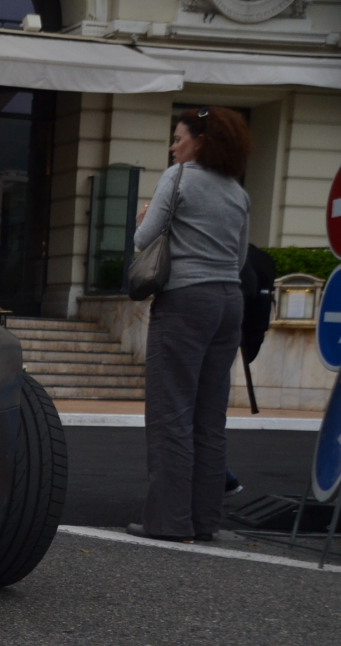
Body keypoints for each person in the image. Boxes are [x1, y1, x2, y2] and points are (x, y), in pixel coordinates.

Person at [127, 106, 251, 543]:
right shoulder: (237, 191)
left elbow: (144, 241)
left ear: (199, 140)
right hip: (228, 301)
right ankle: (205, 521)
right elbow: (238, 259)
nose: (172, 146)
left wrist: (143, 220)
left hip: (185, 300)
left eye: (178, 138)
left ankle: (169, 523)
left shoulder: (178, 178)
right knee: (209, 418)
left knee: (171, 414)